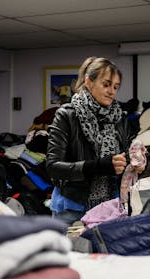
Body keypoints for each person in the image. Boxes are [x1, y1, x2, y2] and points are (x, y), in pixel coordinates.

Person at [46, 57, 140, 227]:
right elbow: (53, 168)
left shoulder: (120, 118)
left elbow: (126, 152)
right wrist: (99, 166)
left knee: (102, 253)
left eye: (115, 87)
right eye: (106, 84)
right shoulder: (67, 115)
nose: (111, 91)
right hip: (72, 208)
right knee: (68, 253)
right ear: (89, 82)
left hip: (109, 207)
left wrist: (135, 160)